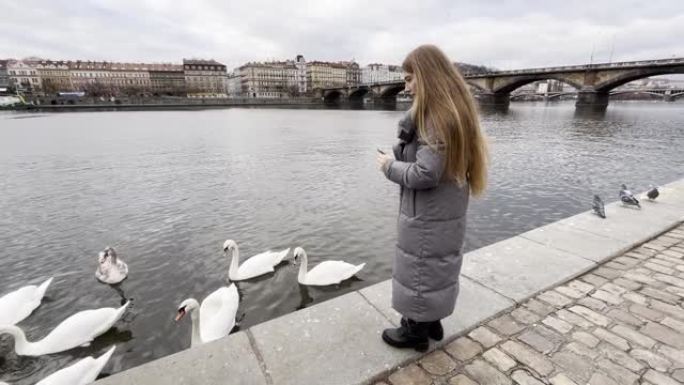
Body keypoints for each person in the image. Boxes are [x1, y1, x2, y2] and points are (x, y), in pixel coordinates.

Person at [376, 44, 488, 352]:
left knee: (420, 268)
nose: (407, 86)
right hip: (446, 209)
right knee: (437, 267)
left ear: (427, 77)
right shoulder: (455, 112)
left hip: (427, 213)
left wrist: (389, 166)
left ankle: (414, 331)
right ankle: (431, 320)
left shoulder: (434, 118)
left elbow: (424, 174)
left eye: (411, 78)